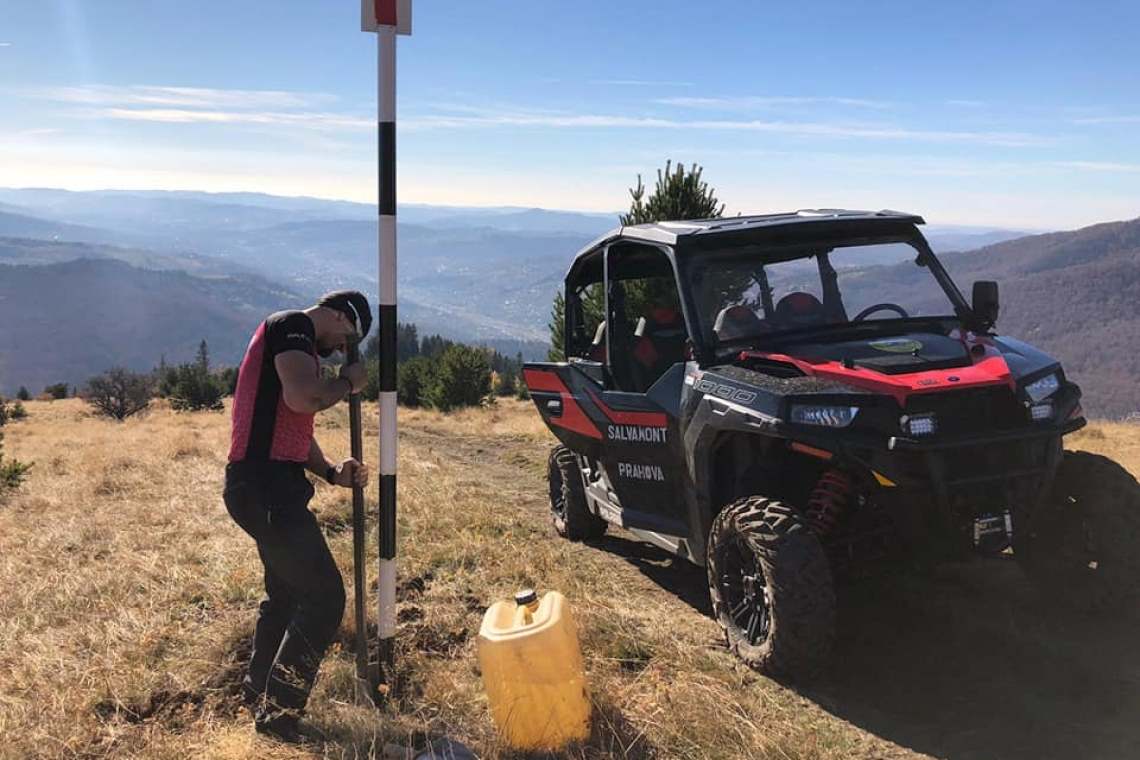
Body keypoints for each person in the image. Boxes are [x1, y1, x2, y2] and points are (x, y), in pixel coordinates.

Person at [222, 290, 372, 742]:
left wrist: (329, 472)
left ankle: (259, 693)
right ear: (340, 316)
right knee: (325, 598)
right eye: (349, 338)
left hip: (265, 483)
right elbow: (306, 399)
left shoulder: (298, 345)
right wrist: (348, 382)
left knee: (286, 596)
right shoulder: (291, 326)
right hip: (266, 487)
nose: (343, 350)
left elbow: (292, 426)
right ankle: (279, 716)